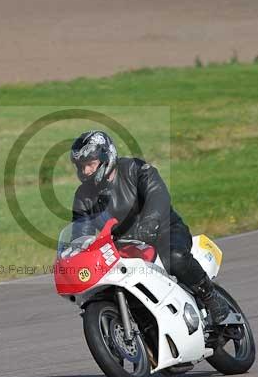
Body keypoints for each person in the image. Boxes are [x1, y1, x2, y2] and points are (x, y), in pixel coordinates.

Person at [69, 130, 230, 325]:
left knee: (176, 259)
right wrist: (76, 251)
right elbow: (80, 232)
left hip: (164, 230)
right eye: (81, 166)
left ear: (106, 158)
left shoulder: (134, 169)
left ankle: (211, 297)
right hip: (124, 248)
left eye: (90, 164)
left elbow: (157, 194)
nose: (85, 171)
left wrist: (150, 221)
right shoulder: (83, 197)